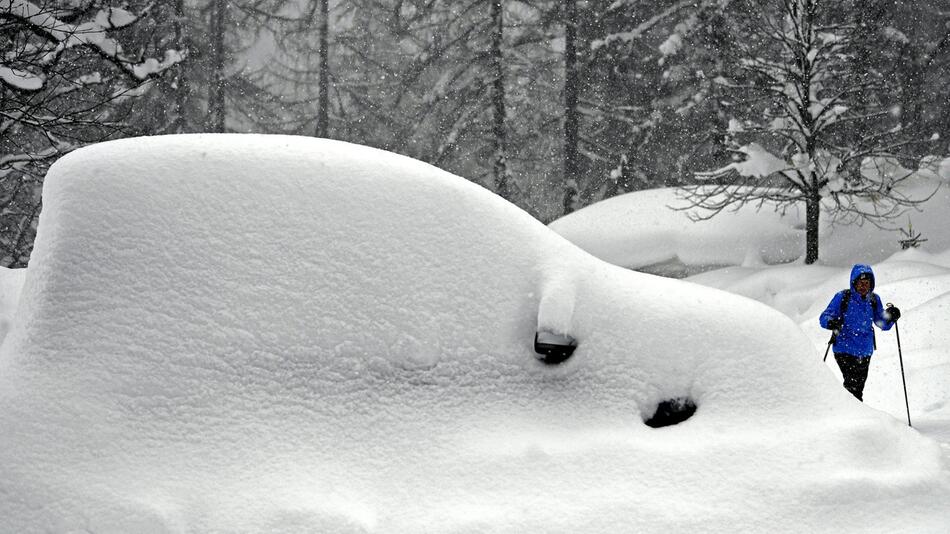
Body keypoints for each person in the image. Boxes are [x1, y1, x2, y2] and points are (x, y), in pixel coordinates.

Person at [819, 264, 901, 401]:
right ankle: (853, 415)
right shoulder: (843, 297)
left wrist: (891, 317)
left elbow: (881, 322)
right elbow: (824, 317)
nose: (863, 286)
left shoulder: (874, 300)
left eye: (867, 283)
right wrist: (831, 322)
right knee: (853, 387)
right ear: (854, 283)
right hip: (844, 349)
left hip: (864, 351)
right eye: (860, 283)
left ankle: (852, 413)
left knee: (858, 388)